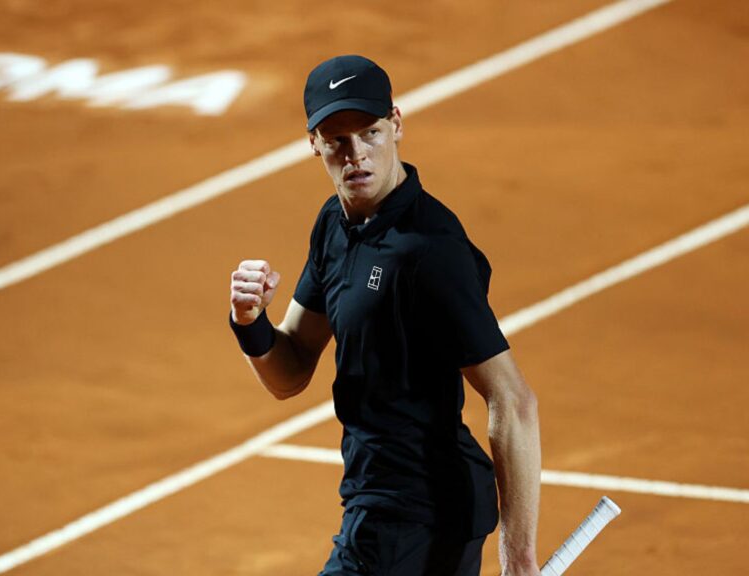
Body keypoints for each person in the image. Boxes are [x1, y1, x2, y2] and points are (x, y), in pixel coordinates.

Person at [228, 55, 542, 576]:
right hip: (380, 500)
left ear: (396, 124)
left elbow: (513, 400)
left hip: (414, 513)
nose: (356, 155)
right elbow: (291, 371)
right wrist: (250, 322)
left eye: (370, 133)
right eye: (337, 141)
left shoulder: (430, 251)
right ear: (314, 143)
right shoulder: (334, 226)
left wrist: (520, 558)